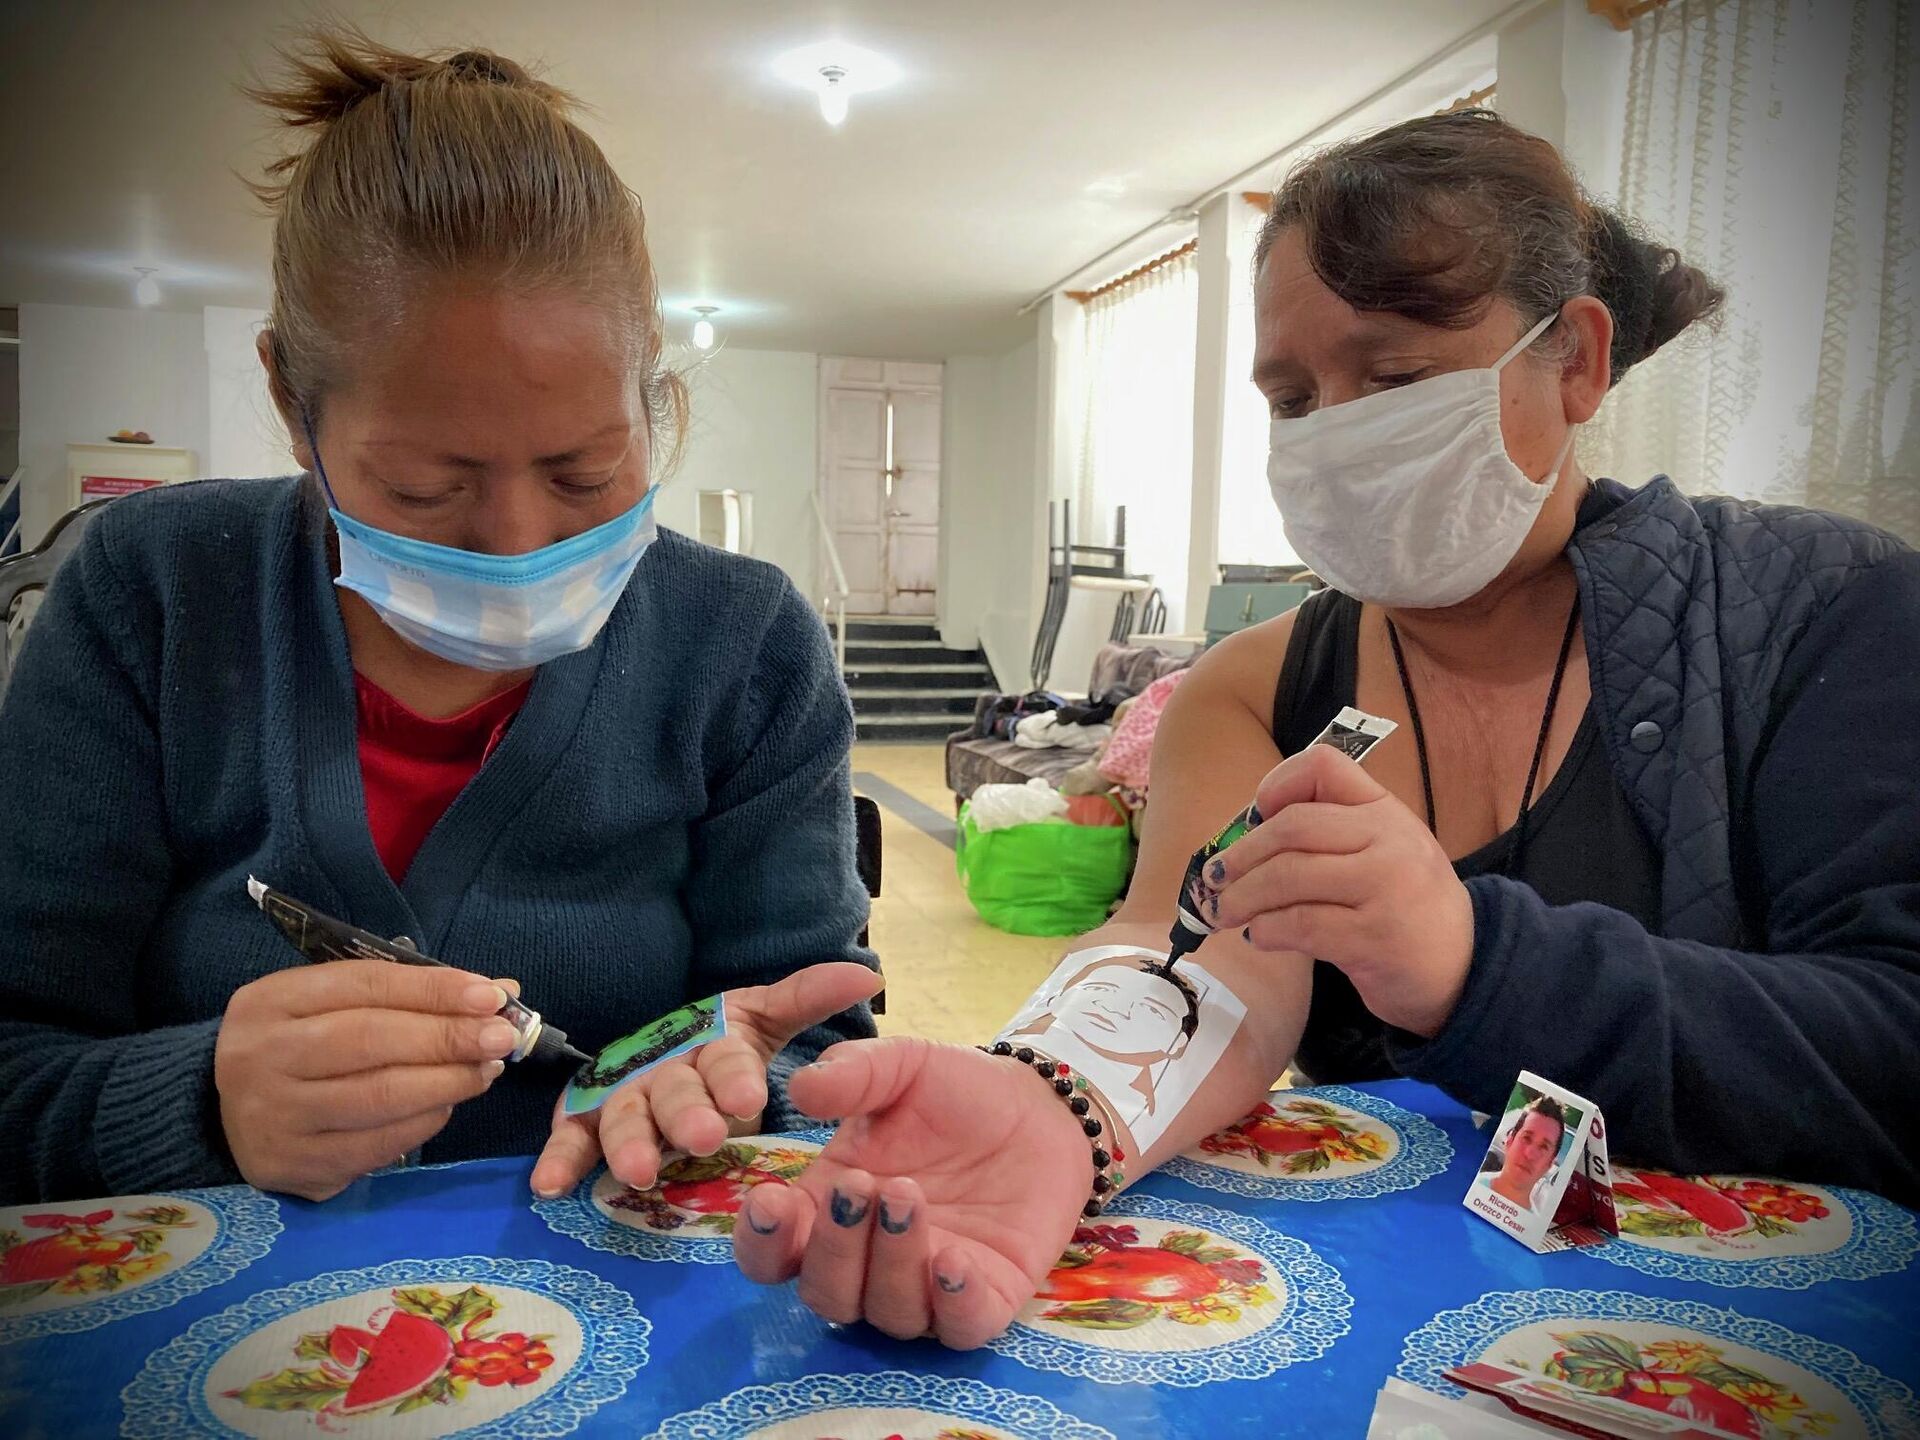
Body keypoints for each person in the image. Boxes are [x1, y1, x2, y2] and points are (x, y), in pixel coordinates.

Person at [728, 108, 1920, 1348]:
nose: (1338, 433)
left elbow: (1894, 1059)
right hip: (1408, 1341)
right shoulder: (1258, 690)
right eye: (1294, 399)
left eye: (1396, 377)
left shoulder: (1817, 620)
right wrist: (1051, 1098)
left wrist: (1476, 960)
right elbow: (1192, 956)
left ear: (1574, 360)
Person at [0, 32, 878, 1206]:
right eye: (425, 488)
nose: (522, 544)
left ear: (650, 389)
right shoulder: (153, 592)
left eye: (586, 472)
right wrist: (202, 1101)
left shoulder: (745, 644)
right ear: (286, 398)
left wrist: (739, 1098)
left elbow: (822, 1045)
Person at [1482, 1096, 1568, 1212]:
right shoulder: (1471, 1188)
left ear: (1550, 1163)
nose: (1530, 1154)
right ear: (1509, 1140)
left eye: (1544, 1147)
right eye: (1527, 1138)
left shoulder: (1534, 1226)